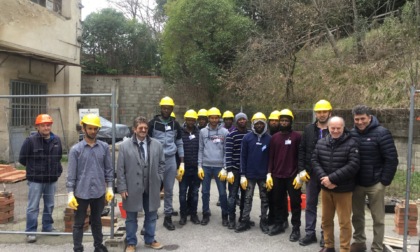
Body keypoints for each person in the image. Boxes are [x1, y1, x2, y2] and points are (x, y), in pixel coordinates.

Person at [350, 105, 398, 252]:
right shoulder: (351, 134)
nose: (360, 122)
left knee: (378, 219)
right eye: (357, 119)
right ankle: (359, 242)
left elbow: (391, 159)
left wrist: (384, 181)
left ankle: (377, 247)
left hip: (375, 184)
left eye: (362, 118)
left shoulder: (382, 133)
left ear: (369, 117)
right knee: (357, 216)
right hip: (356, 183)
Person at [67, 114, 114, 252]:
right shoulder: (76, 150)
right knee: (79, 223)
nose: (93, 131)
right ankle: (78, 248)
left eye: (95, 128)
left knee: (96, 221)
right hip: (81, 192)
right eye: (90, 128)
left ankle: (98, 246)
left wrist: (110, 188)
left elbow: (109, 169)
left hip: (99, 191)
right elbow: (71, 174)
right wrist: (70, 193)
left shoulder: (104, 147)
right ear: (83, 128)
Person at [117, 116, 165, 252]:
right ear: (134, 129)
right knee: (131, 218)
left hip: (152, 186)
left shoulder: (157, 144)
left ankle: (150, 239)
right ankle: (131, 243)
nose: (143, 130)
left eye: (145, 128)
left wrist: (159, 178)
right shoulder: (124, 147)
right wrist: (122, 187)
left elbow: (162, 164)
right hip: (132, 187)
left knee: (151, 216)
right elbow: (120, 169)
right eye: (140, 128)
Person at [312, 116, 360, 252]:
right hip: (326, 188)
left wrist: (332, 179)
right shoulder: (321, 143)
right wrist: (325, 179)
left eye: (338, 128)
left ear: (343, 128)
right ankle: (329, 246)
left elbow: (353, 165)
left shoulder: (352, 144)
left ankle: (345, 248)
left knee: (344, 222)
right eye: (333, 128)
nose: (335, 131)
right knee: (326, 220)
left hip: (343, 190)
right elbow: (315, 161)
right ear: (328, 128)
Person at [19, 114, 63, 243]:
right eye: (43, 125)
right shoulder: (30, 141)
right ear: (37, 126)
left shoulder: (57, 140)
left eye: (48, 125)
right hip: (35, 181)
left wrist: (56, 171)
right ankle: (31, 231)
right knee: (33, 206)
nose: (46, 127)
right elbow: (22, 159)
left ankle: (47, 227)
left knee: (50, 205)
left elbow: (59, 157)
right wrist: (34, 170)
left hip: (51, 179)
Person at [298, 99, 332, 247]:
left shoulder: (336, 129)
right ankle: (310, 233)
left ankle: (325, 235)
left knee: (327, 207)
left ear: (330, 112)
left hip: (328, 175)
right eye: (319, 112)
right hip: (311, 174)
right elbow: (302, 150)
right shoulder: (308, 130)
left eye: (324, 111)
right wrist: (301, 170)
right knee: (310, 204)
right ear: (315, 114)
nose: (322, 114)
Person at [148, 96, 184, 231]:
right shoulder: (153, 123)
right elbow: (147, 142)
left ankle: (168, 218)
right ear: (161, 108)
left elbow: (179, 143)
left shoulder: (175, 124)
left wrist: (182, 163)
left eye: (169, 108)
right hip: (156, 160)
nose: (166, 110)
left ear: (172, 109)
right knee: (154, 190)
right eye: (164, 108)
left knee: (169, 190)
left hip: (170, 160)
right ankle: (150, 218)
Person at [267, 109, 302, 240]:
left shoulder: (297, 137)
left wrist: (299, 173)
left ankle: (296, 228)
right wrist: (269, 173)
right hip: (277, 175)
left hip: (292, 176)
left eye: (286, 120)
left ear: (290, 122)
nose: (283, 122)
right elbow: (271, 157)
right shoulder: (274, 138)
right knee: (277, 202)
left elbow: (300, 156)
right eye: (282, 120)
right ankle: (279, 224)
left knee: (295, 203)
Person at [235, 112, 271, 233]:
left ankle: (264, 220)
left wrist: (269, 173)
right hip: (249, 175)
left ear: (265, 124)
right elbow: (242, 157)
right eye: (257, 123)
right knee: (247, 198)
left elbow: (271, 158)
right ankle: (245, 220)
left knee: (265, 198)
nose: (259, 125)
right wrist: (242, 175)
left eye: (261, 123)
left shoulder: (269, 139)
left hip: (263, 175)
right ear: (253, 124)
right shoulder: (247, 138)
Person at [197, 107, 229, 226]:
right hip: (206, 166)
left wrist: (225, 168)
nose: (214, 120)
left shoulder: (225, 132)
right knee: (205, 192)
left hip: (219, 167)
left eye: (216, 118)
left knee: (222, 193)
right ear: (208, 118)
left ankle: (225, 215)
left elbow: (227, 151)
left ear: (219, 118)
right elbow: (200, 149)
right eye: (212, 117)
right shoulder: (203, 132)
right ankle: (206, 213)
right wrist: (199, 166)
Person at [225, 112, 250, 229]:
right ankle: (231, 219)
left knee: (246, 197)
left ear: (247, 121)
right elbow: (228, 153)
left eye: (244, 119)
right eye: (239, 119)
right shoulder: (231, 135)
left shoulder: (251, 135)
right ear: (236, 121)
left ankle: (243, 218)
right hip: (234, 171)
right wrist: (229, 170)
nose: (242, 121)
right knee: (232, 196)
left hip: (246, 171)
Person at [176, 110, 201, 225]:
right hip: (183, 168)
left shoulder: (199, 132)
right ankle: (183, 215)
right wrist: (178, 166)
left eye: (193, 119)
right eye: (189, 119)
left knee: (195, 193)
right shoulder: (179, 132)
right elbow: (177, 149)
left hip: (195, 168)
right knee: (182, 193)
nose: (191, 121)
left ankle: (194, 214)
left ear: (195, 120)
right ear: (185, 120)